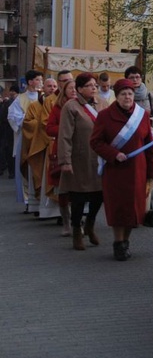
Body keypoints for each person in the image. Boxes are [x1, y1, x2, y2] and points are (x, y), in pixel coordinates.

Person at [90, 78, 153, 261]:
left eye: (130, 94)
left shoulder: (142, 115)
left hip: (137, 171)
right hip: (116, 171)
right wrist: (113, 154)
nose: (127, 97)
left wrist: (152, 172)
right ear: (116, 96)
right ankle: (118, 242)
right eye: (123, 94)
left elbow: (149, 145)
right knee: (118, 208)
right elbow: (95, 142)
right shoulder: (105, 116)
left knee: (133, 209)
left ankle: (126, 241)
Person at [57, 74, 108, 250]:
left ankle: (90, 224)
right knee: (78, 197)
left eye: (95, 85)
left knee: (99, 195)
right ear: (79, 89)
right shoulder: (71, 107)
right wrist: (65, 160)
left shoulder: (102, 103)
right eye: (89, 85)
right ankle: (77, 229)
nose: (94, 88)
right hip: (79, 158)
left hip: (99, 158)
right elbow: (64, 136)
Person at [21, 78, 59, 219]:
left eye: (54, 86)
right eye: (49, 86)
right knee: (39, 177)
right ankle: (37, 206)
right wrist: (41, 125)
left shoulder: (59, 104)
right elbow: (27, 123)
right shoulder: (34, 105)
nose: (52, 88)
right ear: (43, 88)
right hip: (39, 145)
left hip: (53, 144)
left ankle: (56, 210)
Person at [46, 79, 78, 238]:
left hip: (81, 152)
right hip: (62, 150)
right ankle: (66, 222)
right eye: (70, 88)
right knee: (63, 188)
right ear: (64, 90)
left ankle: (78, 221)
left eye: (75, 88)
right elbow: (49, 128)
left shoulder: (87, 107)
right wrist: (66, 128)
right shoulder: (58, 107)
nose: (73, 91)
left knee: (80, 188)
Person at [9, 70, 43, 210]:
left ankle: (40, 198)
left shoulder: (44, 98)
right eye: (38, 79)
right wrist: (30, 121)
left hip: (41, 137)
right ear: (30, 82)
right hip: (26, 138)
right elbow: (12, 117)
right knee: (26, 167)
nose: (40, 82)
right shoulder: (20, 99)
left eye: (41, 80)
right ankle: (28, 199)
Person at [0, 85, 19, 178]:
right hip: (9, 131)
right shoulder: (8, 103)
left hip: (9, 130)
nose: (12, 94)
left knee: (9, 150)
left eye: (14, 92)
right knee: (9, 150)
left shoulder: (8, 103)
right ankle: (11, 170)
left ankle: (11, 171)